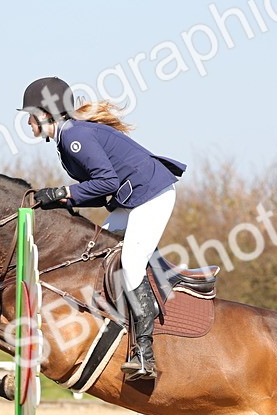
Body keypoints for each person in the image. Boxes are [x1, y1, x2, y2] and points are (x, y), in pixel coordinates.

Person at [19, 76, 186, 382]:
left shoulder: (73, 136)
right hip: (132, 197)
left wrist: (61, 193)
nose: (28, 122)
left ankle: (144, 355)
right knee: (97, 254)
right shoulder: (66, 137)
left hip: (152, 195)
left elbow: (106, 182)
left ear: (45, 114)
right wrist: (60, 201)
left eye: (30, 116)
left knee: (131, 265)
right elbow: (99, 187)